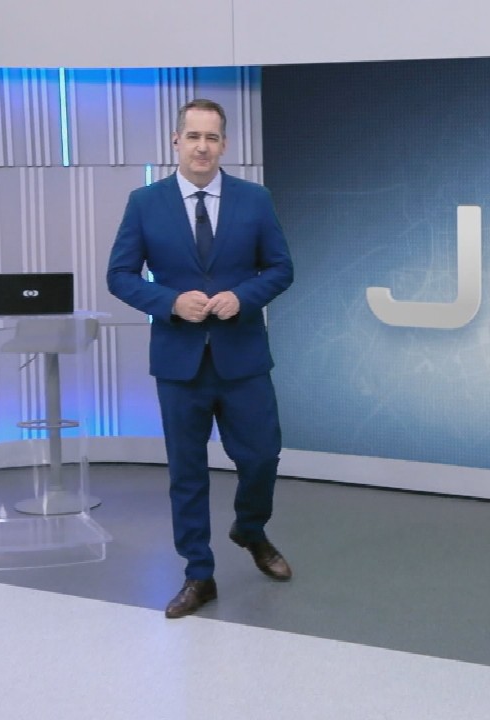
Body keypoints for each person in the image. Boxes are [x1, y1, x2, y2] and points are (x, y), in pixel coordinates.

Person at [107, 98, 295, 619]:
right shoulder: (145, 203)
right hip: (179, 362)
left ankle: (250, 529)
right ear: (176, 141)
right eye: (193, 136)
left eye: (212, 138)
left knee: (262, 457)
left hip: (243, 358)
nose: (202, 147)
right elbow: (119, 275)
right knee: (187, 472)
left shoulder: (254, 200)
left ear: (224, 144)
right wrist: (169, 302)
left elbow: (281, 268)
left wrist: (243, 297)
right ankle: (198, 573)